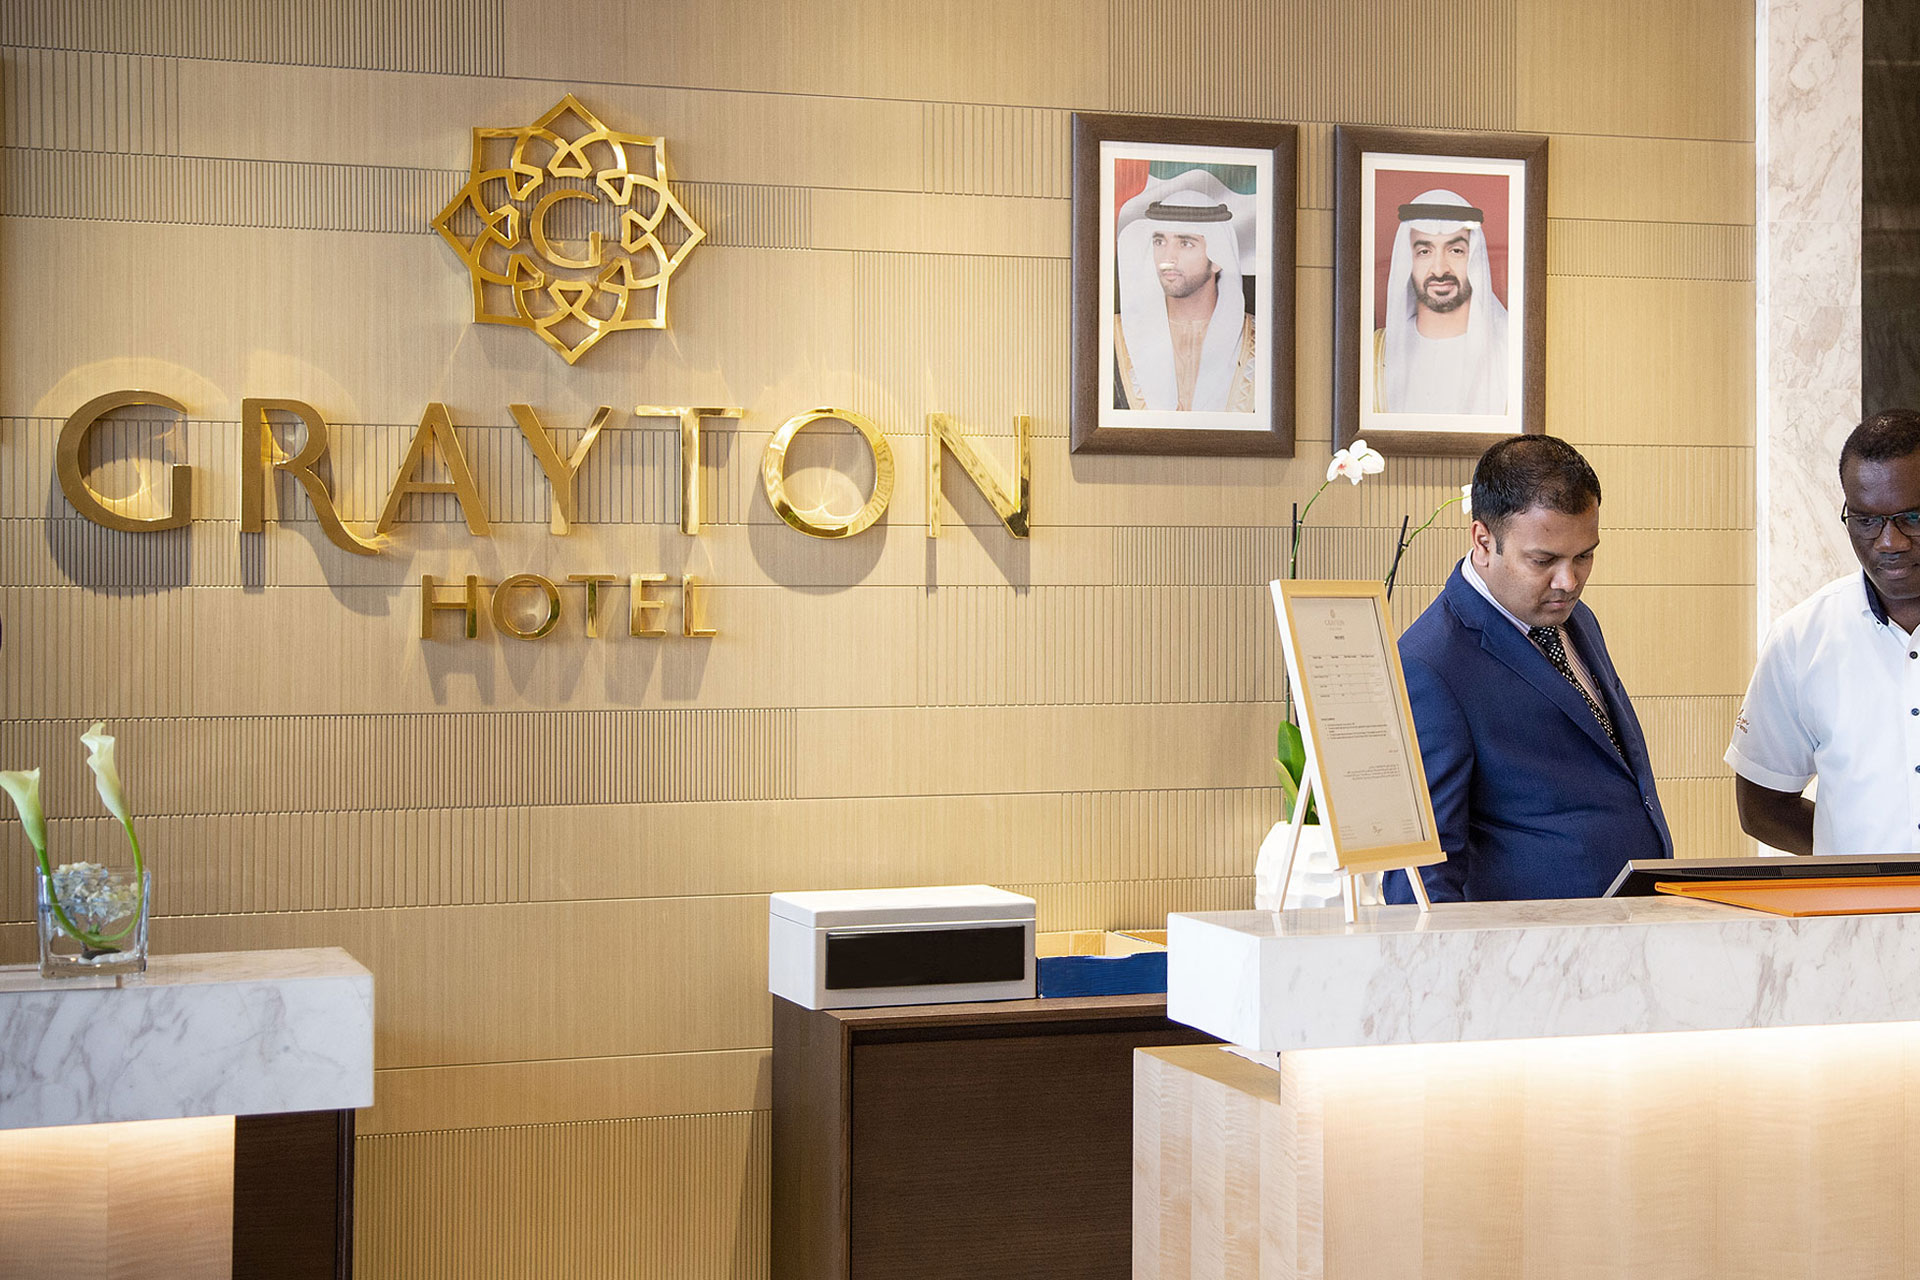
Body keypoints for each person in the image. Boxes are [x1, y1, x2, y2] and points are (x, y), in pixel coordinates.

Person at [1386, 435, 1672, 902]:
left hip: (1624, 934)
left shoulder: (1573, 618)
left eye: (1585, 556)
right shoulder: (1430, 665)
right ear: (1482, 540)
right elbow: (1420, 878)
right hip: (1529, 956)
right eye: (1543, 560)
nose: (1569, 581)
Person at [1726, 409, 1920, 855]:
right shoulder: (1802, 639)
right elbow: (1762, 808)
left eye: (1911, 517)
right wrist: (1852, 862)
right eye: (1867, 520)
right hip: (1856, 920)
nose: (1890, 542)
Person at [1112, 170, 1257, 413]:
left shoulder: (1259, 341)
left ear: (1218, 256)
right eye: (1160, 242)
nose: (1168, 258)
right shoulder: (1115, 336)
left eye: (1185, 243)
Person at [1372, 188, 1510, 415]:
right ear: (1408, 261)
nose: (1439, 270)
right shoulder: (1377, 351)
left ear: (1473, 259)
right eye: (1424, 251)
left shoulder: (1508, 353)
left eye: (1456, 250)